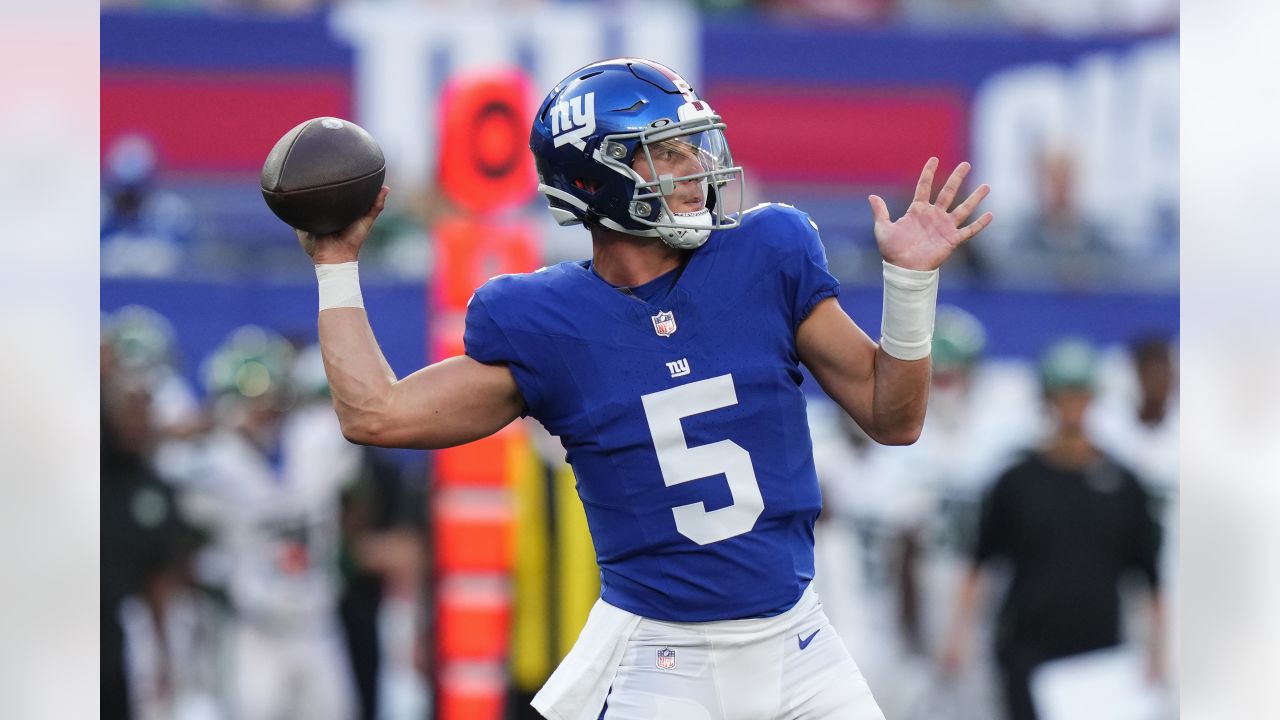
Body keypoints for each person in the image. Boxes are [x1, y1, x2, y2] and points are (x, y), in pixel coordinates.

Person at [293, 58, 991, 719]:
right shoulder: (546, 321)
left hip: (800, 646)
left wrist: (910, 284)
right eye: (669, 153)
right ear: (597, 177)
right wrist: (335, 262)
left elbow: (894, 419)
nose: (699, 169)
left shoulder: (767, 253)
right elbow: (375, 415)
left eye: (697, 146)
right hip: (663, 667)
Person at [940, 338, 1165, 720]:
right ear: (1047, 399)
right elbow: (980, 562)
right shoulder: (1016, 481)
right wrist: (958, 634)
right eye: (1064, 394)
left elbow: (1149, 576)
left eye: (1081, 394)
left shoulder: (1124, 484)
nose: (1073, 405)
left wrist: (1157, 652)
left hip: (1099, 649)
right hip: (1027, 647)